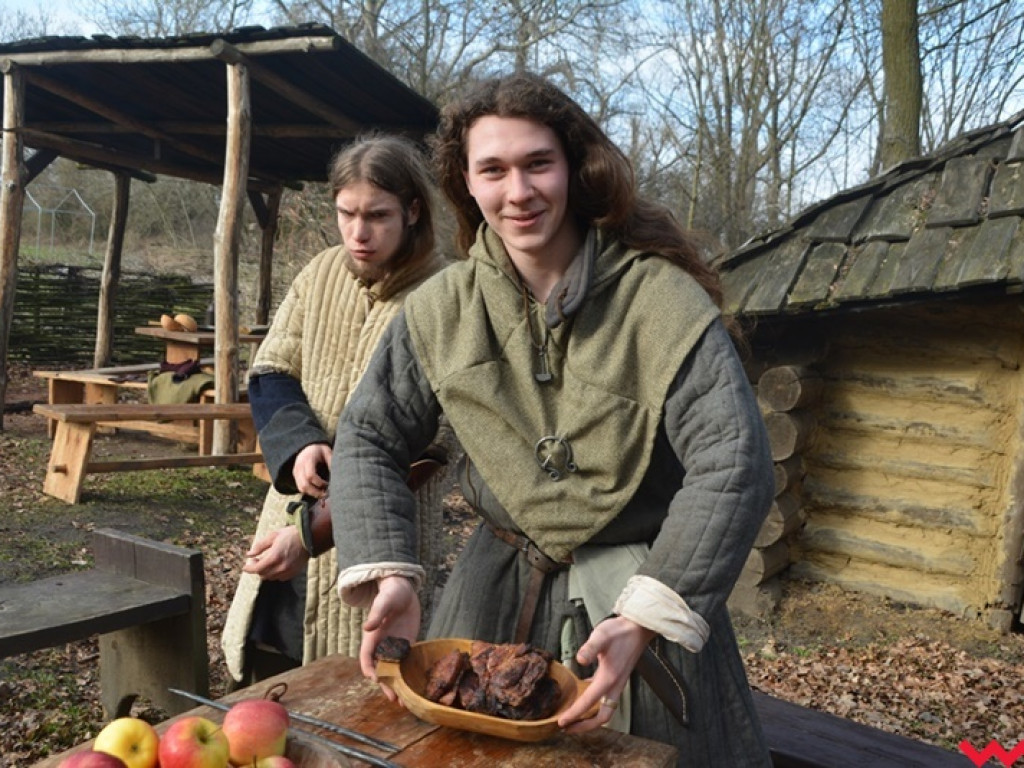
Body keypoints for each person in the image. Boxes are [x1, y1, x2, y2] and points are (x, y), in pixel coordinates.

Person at [328, 74, 774, 766]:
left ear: (573, 167)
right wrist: (393, 575)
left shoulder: (661, 299)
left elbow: (733, 460)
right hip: (492, 594)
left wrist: (644, 619)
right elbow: (369, 434)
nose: (519, 191)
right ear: (465, 185)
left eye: (538, 163)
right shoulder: (441, 308)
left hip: (636, 601)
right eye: (493, 170)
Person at [221, 133, 453, 685]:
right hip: (288, 511)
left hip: (386, 540)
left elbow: (436, 443)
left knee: (361, 690)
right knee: (266, 683)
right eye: (346, 213)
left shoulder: (449, 295)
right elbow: (272, 369)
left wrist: (315, 533)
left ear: (413, 210)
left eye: (377, 215)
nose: (358, 232)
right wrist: (300, 445)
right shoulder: (322, 271)